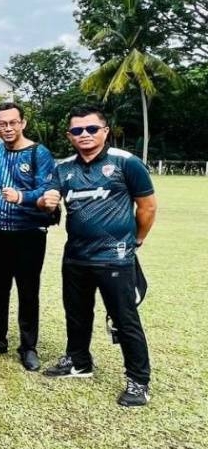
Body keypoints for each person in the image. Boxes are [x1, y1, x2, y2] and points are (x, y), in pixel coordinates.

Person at [38, 105, 157, 407]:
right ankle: (79, 362)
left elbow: (147, 207)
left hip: (115, 258)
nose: (85, 135)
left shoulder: (126, 163)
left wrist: (136, 240)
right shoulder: (62, 167)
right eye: (77, 130)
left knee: (125, 320)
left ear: (105, 131)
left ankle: (138, 380)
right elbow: (50, 204)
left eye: (92, 129)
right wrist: (45, 202)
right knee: (76, 314)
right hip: (76, 256)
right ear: (70, 135)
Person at [0, 102, 56, 371]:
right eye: (2, 124)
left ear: (23, 123)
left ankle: (28, 346)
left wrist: (22, 197)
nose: (8, 128)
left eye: (13, 123)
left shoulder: (38, 153)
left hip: (29, 233)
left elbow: (47, 189)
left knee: (28, 290)